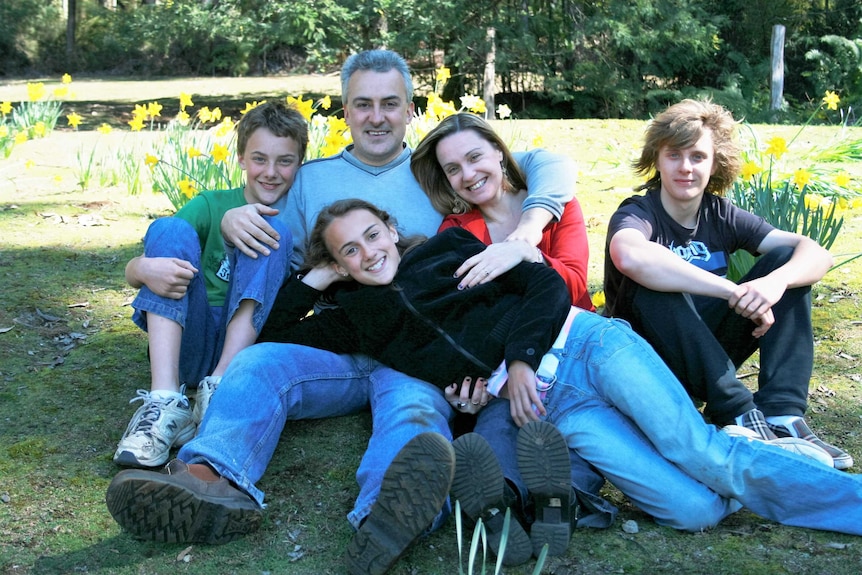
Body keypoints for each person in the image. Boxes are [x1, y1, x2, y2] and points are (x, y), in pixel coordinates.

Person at [107, 199, 862, 574]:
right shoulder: (358, 321)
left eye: (374, 235)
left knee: (705, 456)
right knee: (698, 510)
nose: (370, 251)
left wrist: (523, 362)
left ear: (392, 231)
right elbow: (278, 335)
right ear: (338, 262)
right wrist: (318, 275)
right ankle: (756, 481)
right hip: (559, 412)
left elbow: (541, 289)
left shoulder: (447, 248)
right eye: (349, 249)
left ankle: (832, 497)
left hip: (585, 349)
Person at [106, 49, 576, 573]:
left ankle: (385, 517)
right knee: (259, 363)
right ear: (345, 111)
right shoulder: (310, 181)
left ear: (410, 109)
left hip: (419, 358)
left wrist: (529, 230)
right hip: (345, 337)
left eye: (390, 104)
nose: (377, 117)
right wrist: (240, 222)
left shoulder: (436, 172)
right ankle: (213, 479)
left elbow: (547, 162)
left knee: (411, 415)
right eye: (363, 104)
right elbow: (261, 249)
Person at [603, 99, 853, 469]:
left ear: (715, 162)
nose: (685, 167)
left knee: (787, 262)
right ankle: (736, 411)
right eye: (674, 155)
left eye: (698, 156)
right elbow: (630, 256)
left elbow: (816, 253)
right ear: (657, 159)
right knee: (653, 280)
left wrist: (774, 283)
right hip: (649, 366)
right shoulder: (639, 212)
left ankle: (781, 414)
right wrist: (733, 291)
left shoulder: (720, 215)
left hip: (707, 357)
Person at [410, 112, 614, 565]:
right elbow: (466, 314)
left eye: (475, 157)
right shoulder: (455, 233)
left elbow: (575, 285)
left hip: (573, 345)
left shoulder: (553, 207)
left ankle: (562, 498)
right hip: (507, 360)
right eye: (453, 169)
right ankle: (500, 502)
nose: (468, 175)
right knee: (496, 425)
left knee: (576, 432)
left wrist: (518, 254)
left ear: (500, 153)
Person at [112, 101, 306, 468]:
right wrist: (141, 267)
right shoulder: (210, 204)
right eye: (259, 159)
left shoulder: (301, 216)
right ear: (241, 159)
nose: (271, 172)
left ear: (300, 163)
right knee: (168, 227)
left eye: (285, 161)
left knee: (273, 229)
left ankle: (217, 391)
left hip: (247, 350)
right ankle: (164, 400)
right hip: (191, 337)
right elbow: (138, 267)